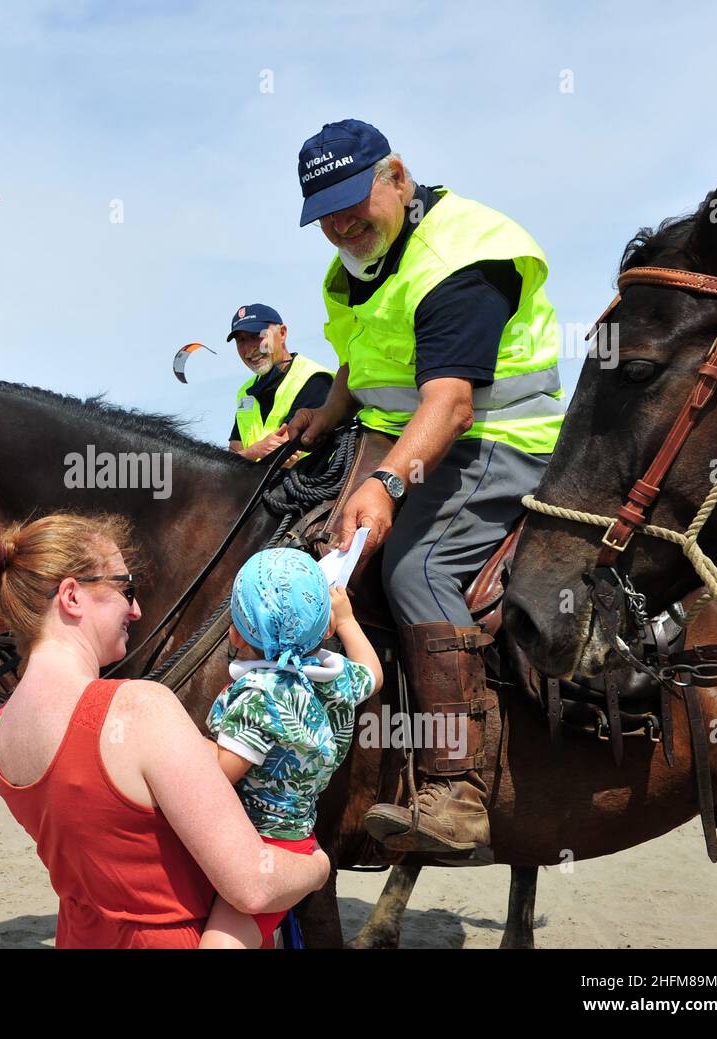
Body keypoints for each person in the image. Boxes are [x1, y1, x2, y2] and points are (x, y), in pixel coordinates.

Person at [286, 118, 565, 861]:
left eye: (353, 201)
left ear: (398, 177)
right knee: (310, 536)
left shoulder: (461, 254)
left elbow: (450, 402)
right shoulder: (352, 266)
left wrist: (381, 483)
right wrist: (325, 415)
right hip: (402, 438)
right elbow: (363, 357)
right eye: (326, 215)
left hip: (498, 440)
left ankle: (456, 785)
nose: (343, 224)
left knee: (418, 565)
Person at [0, 512, 330, 948]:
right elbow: (253, 884)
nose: (136, 608)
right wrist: (316, 866)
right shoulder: (138, 709)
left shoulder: (3, 729)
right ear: (72, 596)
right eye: (124, 589)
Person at [200, 549, 382, 948]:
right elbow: (372, 673)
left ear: (234, 634)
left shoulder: (258, 699)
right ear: (325, 630)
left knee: (223, 941)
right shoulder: (334, 679)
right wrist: (349, 621)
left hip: (256, 847)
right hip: (298, 837)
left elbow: (217, 775)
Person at [227, 303, 336, 466]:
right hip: (260, 487)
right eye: (241, 340)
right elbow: (231, 459)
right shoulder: (245, 393)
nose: (249, 349)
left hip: (312, 485)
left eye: (257, 335)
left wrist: (246, 456)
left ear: (282, 333)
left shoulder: (314, 378)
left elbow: (283, 451)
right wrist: (254, 451)